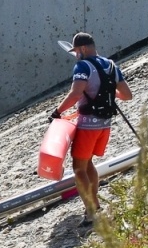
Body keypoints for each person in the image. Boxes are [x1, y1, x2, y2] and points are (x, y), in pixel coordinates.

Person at [53, 31, 134, 227]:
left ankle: (91, 211)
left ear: (81, 49)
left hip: (88, 125)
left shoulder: (82, 66)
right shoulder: (110, 65)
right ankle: (95, 204)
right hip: (105, 125)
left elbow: (75, 94)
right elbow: (126, 95)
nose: (76, 54)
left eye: (76, 51)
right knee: (88, 163)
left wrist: (57, 111)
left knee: (78, 168)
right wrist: (104, 93)